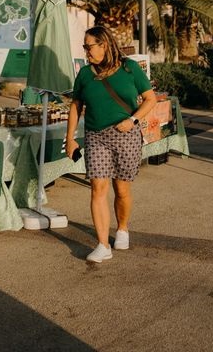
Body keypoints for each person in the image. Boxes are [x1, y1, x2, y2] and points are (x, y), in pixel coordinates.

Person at [65, 25, 157, 263]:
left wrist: (133, 119)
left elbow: (150, 99)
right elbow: (76, 106)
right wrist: (70, 137)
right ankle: (103, 244)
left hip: (126, 133)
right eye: (84, 47)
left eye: (89, 46)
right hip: (96, 136)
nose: (86, 51)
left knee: (122, 189)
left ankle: (123, 227)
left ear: (103, 45)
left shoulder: (130, 68)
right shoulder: (85, 74)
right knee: (98, 187)